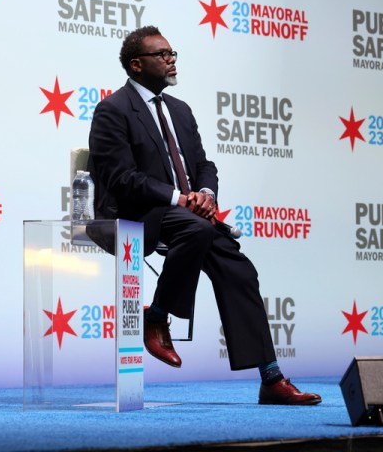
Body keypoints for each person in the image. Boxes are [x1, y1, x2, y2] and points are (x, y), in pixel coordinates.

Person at [87, 25, 321, 405]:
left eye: (172, 52)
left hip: (189, 217)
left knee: (239, 270)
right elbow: (121, 178)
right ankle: (158, 315)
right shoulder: (113, 110)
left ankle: (271, 377)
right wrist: (181, 198)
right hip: (138, 214)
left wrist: (207, 194)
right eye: (161, 54)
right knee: (195, 231)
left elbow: (202, 163)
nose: (171, 59)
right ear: (136, 64)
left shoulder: (180, 110)